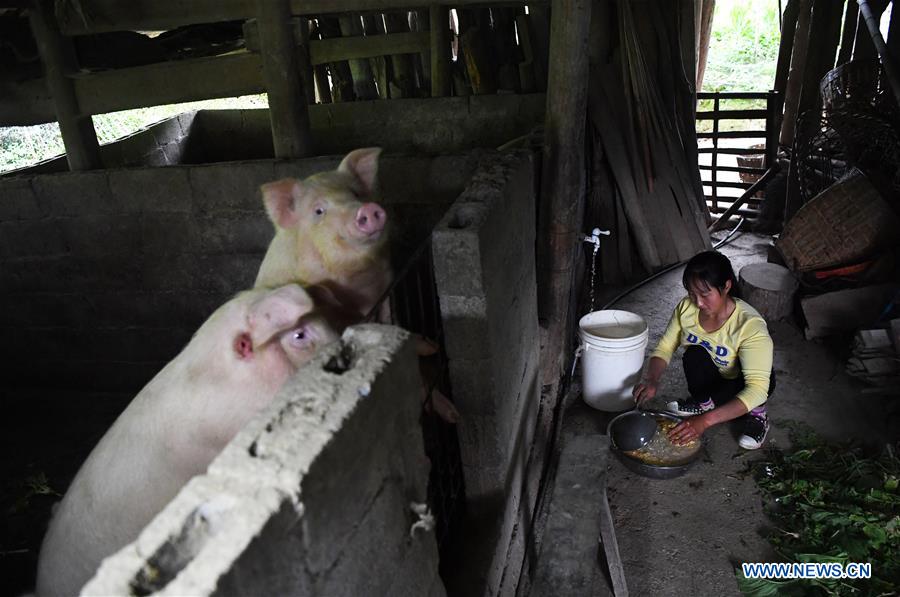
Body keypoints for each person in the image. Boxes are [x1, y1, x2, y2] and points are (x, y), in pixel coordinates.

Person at [632, 250, 775, 449]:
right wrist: (652, 379)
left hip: (740, 382)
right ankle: (706, 402)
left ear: (726, 286)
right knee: (694, 353)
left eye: (705, 294)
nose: (698, 303)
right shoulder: (686, 309)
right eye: (692, 294)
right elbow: (665, 347)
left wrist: (704, 422)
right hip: (716, 377)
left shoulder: (750, 326)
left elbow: (757, 389)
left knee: (757, 384)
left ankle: (758, 415)